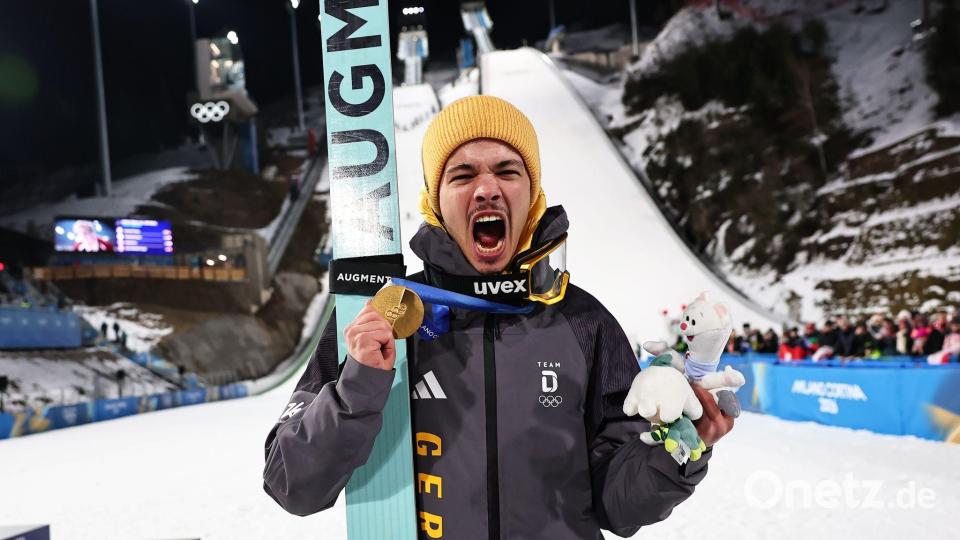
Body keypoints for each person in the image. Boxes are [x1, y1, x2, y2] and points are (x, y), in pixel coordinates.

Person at [262, 96, 735, 539]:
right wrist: (359, 386)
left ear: (531, 195)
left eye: (507, 171)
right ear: (435, 201)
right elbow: (291, 484)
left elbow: (619, 505)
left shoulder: (584, 322)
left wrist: (674, 453)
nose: (487, 189)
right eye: (462, 175)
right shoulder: (384, 315)